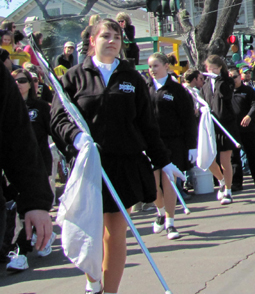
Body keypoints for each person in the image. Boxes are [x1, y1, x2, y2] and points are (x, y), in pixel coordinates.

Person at [51, 18, 182, 294]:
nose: (112, 41)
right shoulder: (73, 77)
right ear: (92, 40)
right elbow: (58, 117)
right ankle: (92, 281)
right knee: (90, 232)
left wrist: (164, 160)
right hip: (89, 166)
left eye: (117, 37)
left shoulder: (133, 78)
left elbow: (147, 124)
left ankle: (109, 291)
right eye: (106, 36)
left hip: (124, 164)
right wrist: (75, 137)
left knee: (116, 233)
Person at [3, 68, 55, 272]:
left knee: (30, 210)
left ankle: (22, 252)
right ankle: (41, 235)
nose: (19, 84)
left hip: (39, 167)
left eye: (24, 80)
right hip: (11, 170)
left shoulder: (41, 108)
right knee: (16, 212)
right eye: (14, 80)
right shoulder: (7, 106)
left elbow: (56, 133)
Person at [146, 52, 197, 240]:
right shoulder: (145, 88)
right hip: (150, 143)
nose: (152, 70)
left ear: (166, 66)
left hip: (173, 142)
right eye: (150, 66)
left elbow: (188, 119)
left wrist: (192, 146)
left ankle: (170, 222)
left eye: (155, 66)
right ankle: (160, 211)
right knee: (152, 185)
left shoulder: (177, 90)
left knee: (169, 183)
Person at [201, 55, 238, 205]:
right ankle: (222, 181)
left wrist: (218, 80)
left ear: (220, 68)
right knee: (209, 160)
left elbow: (226, 95)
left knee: (225, 160)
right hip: (212, 125)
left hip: (226, 125)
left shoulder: (226, 82)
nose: (211, 71)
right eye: (209, 69)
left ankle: (228, 191)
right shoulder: (204, 85)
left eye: (214, 68)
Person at [230, 67, 255, 189]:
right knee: (235, 157)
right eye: (230, 78)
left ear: (240, 77)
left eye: (234, 77)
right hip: (234, 129)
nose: (233, 80)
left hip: (248, 128)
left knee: (252, 153)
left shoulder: (248, 90)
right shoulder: (227, 92)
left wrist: (249, 116)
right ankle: (237, 182)